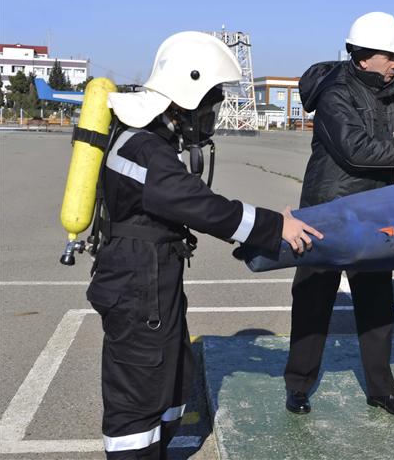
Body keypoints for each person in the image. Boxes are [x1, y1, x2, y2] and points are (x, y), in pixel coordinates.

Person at [89, 31, 322, 459]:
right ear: (184, 99)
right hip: (138, 282)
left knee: (172, 379)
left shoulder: (148, 141)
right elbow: (195, 203)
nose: (212, 115)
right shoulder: (142, 147)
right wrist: (274, 227)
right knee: (139, 394)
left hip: (152, 276)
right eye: (211, 103)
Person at [284, 12, 394, 417]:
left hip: (374, 213)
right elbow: (356, 149)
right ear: (362, 57)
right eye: (389, 56)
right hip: (328, 210)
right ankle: (298, 385)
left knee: (376, 301)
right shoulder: (336, 93)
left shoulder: (392, 92)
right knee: (313, 298)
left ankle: (381, 390)